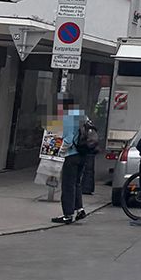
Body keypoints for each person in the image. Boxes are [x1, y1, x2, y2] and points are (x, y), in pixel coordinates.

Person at [52, 96, 92, 225]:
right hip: (83, 154)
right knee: (77, 183)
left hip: (72, 155)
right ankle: (79, 209)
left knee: (68, 185)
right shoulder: (83, 117)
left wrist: (61, 151)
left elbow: (68, 139)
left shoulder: (68, 118)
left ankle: (67, 214)